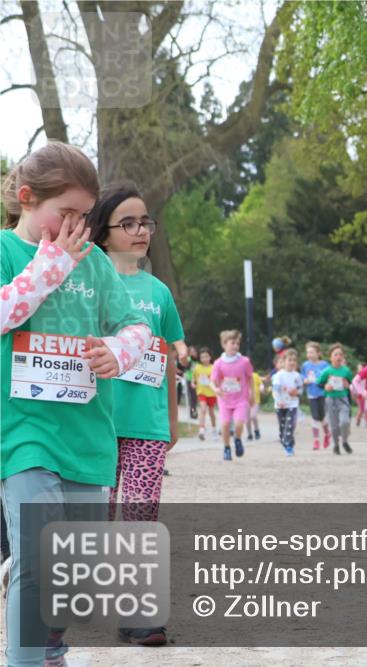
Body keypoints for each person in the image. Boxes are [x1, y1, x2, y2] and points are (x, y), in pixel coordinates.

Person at [1, 142, 153, 666]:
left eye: (85, 216)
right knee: (39, 557)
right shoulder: (7, 251)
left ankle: (49, 643)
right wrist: (49, 266)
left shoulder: (95, 264)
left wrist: (118, 351)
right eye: (65, 212)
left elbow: (137, 326)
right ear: (27, 198)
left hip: (88, 436)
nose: (76, 227)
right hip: (23, 433)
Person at [85, 181, 186, 646]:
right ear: (103, 233)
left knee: (140, 517)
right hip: (96, 422)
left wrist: (171, 421)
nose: (141, 230)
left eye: (145, 221)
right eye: (128, 223)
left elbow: (167, 359)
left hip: (147, 425)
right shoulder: (84, 285)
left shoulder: (159, 292)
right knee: (96, 519)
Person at [210, 329, 255, 461]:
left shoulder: (244, 361)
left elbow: (250, 377)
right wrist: (216, 390)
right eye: (232, 343)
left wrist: (252, 393)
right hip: (224, 400)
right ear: (224, 344)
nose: (235, 346)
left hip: (241, 399)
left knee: (239, 424)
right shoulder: (218, 363)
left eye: (237, 343)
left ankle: (237, 439)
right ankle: (226, 448)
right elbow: (212, 381)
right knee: (225, 424)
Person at [316, 344, 354, 454]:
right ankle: (336, 444)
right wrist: (325, 386)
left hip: (343, 399)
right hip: (330, 400)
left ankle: (345, 441)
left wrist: (348, 385)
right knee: (334, 426)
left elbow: (352, 383)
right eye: (335, 354)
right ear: (330, 357)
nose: (338, 356)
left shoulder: (346, 371)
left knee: (345, 422)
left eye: (340, 354)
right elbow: (319, 383)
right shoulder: (327, 371)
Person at [271, 348, 304, 455]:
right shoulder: (279, 375)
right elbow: (275, 390)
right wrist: (279, 401)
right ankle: (287, 441)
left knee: (290, 425)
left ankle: (288, 446)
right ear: (284, 361)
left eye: (294, 360)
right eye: (289, 360)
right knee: (282, 427)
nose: (292, 362)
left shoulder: (297, 376)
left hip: (292, 404)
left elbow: (301, 389)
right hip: (280, 405)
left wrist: (297, 392)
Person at [301, 341, 332, 450]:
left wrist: (325, 382)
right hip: (312, 394)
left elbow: (330, 376)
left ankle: (327, 434)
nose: (309, 355)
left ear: (318, 353)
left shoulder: (325, 365)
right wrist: (304, 380)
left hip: (323, 394)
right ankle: (316, 440)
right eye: (308, 352)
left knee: (322, 417)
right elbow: (302, 376)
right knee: (314, 417)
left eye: (312, 352)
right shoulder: (305, 365)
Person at [193, 348, 217, 440]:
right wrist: (193, 383)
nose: (204, 359)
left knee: (211, 413)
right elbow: (194, 379)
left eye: (206, 356)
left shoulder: (213, 367)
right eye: (202, 357)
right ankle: (201, 430)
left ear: (210, 357)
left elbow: (217, 379)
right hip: (201, 392)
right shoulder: (198, 367)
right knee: (203, 409)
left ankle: (214, 429)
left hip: (212, 393)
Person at [248, 368, 264, 441]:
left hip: (255, 400)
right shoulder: (241, 376)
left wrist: (261, 388)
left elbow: (261, 384)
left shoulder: (255, 375)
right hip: (244, 401)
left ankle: (256, 430)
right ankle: (249, 434)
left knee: (253, 416)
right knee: (247, 419)